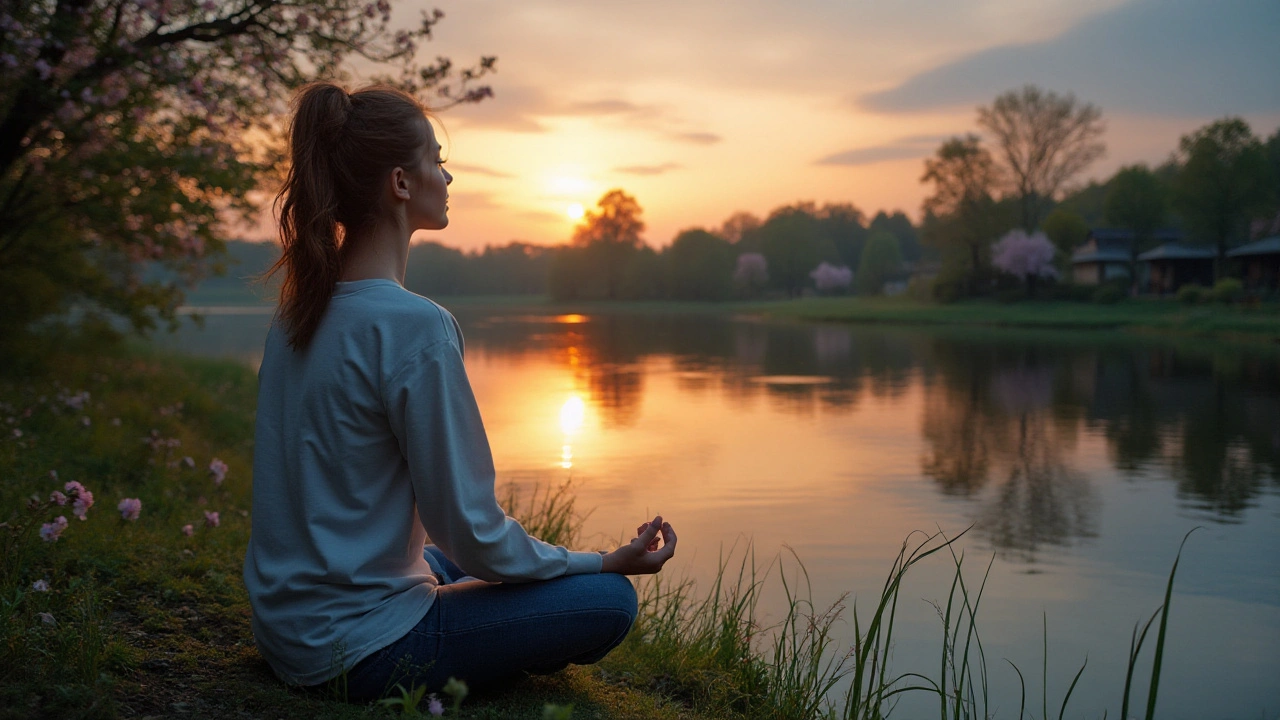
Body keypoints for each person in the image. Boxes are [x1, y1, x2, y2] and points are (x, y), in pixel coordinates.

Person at [243, 82, 677, 703]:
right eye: (437, 160)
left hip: (286, 630)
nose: (448, 177)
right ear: (400, 182)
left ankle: (464, 613)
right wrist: (603, 561)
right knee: (609, 602)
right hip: (359, 650)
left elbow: (448, 539)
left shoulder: (294, 319)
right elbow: (470, 533)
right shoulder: (415, 327)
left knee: (443, 563)